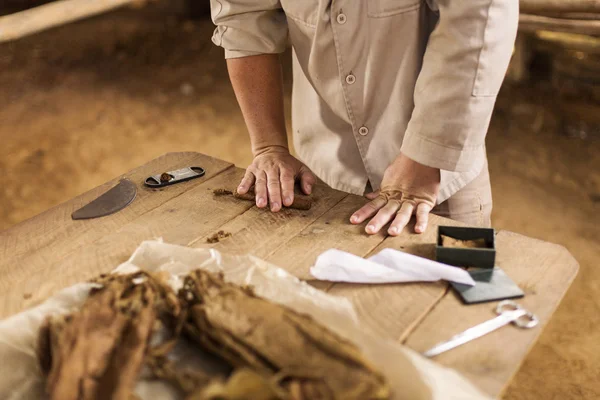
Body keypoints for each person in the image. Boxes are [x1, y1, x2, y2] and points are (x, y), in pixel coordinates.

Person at [209, 0, 518, 235]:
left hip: (437, 180)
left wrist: (426, 156)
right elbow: (244, 17)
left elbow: (482, 17)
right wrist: (268, 147)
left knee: (450, 313)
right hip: (322, 178)